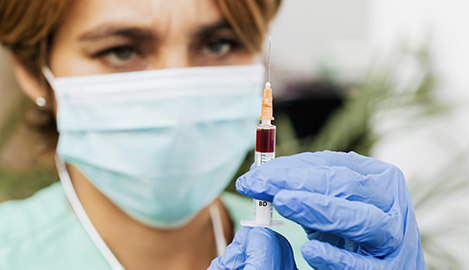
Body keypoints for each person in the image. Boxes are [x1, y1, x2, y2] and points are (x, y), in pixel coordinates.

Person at [0, 0, 426, 269]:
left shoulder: (313, 249)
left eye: (219, 44)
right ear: (34, 73)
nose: (178, 90)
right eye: (122, 50)